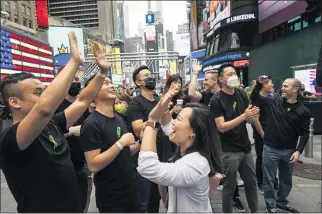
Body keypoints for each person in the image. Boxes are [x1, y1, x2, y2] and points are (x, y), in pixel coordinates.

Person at [0, 32, 107, 212]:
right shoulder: (10, 139)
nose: (45, 96)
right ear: (14, 102)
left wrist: (102, 72)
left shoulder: (51, 124)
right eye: (38, 92)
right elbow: (44, 109)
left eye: (45, 90)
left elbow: (82, 101)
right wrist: (74, 62)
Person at [137, 83, 222, 212]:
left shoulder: (196, 163)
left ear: (193, 131)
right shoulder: (188, 145)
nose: (174, 122)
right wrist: (164, 103)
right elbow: (167, 126)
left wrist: (152, 121)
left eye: (179, 119)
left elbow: (147, 167)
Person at [80, 75, 141, 213]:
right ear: (93, 92)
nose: (111, 86)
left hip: (132, 191)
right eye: (105, 83)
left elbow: (124, 152)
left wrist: (140, 142)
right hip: (112, 198)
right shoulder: (91, 124)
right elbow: (93, 165)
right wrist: (120, 143)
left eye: (111, 82)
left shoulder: (118, 119)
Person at [251, 76, 311, 213]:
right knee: (269, 179)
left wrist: (298, 151)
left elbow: (305, 133)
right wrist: (259, 84)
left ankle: (281, 203)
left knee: (286, 181)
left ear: (295, 89)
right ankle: (270, 205)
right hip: (271, 148)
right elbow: (255, 98)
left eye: (285, 86)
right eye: (282, 86)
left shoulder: (303, 111)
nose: (282, 88)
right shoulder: (273, 102)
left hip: (290, 151)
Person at [210, 63, 259, 213]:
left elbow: (249, 117)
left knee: (251, 183)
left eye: (234, 73)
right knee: (229, 188)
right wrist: (244, 116)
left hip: (245, 148)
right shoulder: (216, 100)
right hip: (228, 150)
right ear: (221, 79)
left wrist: (251, 117)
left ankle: (255, 210)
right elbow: (221, 127)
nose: (233, 77)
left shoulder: (241, 93)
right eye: (229, 74)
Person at [127, 65, 175, 213]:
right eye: (146, 76)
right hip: (145, 159)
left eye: (151, 75)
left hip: (162, 157)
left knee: (156, 200)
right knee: (143, 202)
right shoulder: (136, 103)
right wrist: (154, 118)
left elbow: (169, 124)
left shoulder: (158, 101)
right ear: (139, 83)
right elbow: (137, 128)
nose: (151, 78)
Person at [54, 64, 91, 212]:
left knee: (83, 198)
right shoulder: (55, 104)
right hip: (61, 160)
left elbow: (89, 126)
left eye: (77, 77)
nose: (75, 81)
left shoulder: (82, 104)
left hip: (82, 159)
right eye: (72, 77)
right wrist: (69, 131)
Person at [249, 76, 278, 195]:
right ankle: (260, 182)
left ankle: (273, 180)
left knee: (272, 158)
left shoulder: (272, 98)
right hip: (261, 133)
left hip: (272, 132)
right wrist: (263, 134)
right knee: (261, 157)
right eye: (270, 83)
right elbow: (256, 120)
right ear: (264, 85)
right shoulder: (258, 99)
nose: (272, 85)